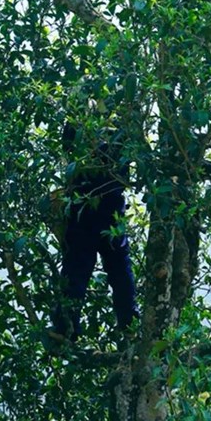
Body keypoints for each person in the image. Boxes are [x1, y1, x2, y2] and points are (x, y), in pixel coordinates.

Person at [48, 122, 139, 344]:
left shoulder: (102, 123)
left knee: (79, 267)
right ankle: (129, 326)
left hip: (88, 206)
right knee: (115, 268)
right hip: (102, 206)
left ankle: (67, 327)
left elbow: (68, 151)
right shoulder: (119, 123)